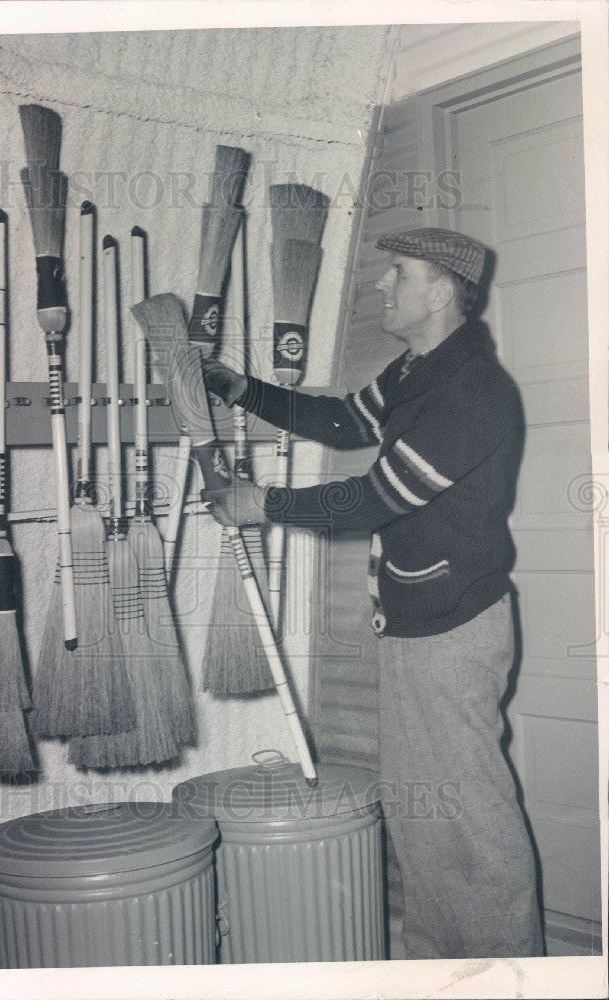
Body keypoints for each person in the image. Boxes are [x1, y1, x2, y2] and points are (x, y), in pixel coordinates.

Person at [201, 227, 545, 960]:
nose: (382, 286)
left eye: (398, 274)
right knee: (424, 820)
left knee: (470, 819)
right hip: (418, 624)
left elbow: (369, 500)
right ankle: (436, 964)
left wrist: (261, 503)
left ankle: (507, 969)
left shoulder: (474, 391)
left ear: (443, 291)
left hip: (454, 631)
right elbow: (339, 419)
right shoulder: (419, 368)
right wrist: (242, 389)